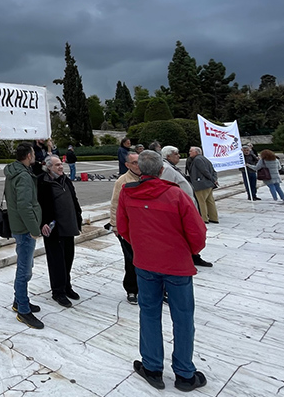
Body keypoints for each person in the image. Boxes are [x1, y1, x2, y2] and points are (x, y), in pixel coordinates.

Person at [117, 150, 208, 392]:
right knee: (183, 317)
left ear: (140, 170)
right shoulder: (175, 194)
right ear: (160, 170)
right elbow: (197, 234)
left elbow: (123, 228)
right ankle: (185, 373)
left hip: (145, 263)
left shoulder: (128, 194)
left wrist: (141, 246)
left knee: (148, 313)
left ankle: (153, 366)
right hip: (176, 264)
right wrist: (187, 250)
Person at [5, 142, 44, 329]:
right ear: (29, 155)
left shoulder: (13, 171)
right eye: (34, 154)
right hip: (25, 229)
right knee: (24, 270)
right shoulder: (23, 176)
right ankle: (23, 310)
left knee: (25, 265)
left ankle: (19, 300)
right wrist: (34, 229)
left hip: (18, 226)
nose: (35, 156)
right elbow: (24, 206)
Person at [37, 155, 82, 308]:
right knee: (56, 261)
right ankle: (58, 292)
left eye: (61, 164)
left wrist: (78, 217)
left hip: (69, 225)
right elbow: (39, 204)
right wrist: (42, 222)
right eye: (57, 165)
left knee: (68, 258)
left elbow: (74, 199)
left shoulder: (65, 179)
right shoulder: (43, 182)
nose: (61, 167)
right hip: (53, 228)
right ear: (49, 167)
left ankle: (67, 286)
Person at [163, 146, 212, 267]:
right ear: (168, 156)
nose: (179, 156)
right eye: (176, 154)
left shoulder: (170, 167)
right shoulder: (166, 169)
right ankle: (191, 256)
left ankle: (194, 255)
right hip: (181, 207)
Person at [110, 151, 140, 304]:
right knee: (130, 259)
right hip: (128, 228)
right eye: (134, 162)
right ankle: (132, 289)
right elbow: (115, 204)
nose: (138, 165)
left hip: (144, 227)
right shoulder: (123, 181)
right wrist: (115, 225)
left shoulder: (148, 176)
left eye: (139, 161)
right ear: (127, 165)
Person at [186, 147, 220, 224]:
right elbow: (213, 171)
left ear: (196, 152)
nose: (189, 152)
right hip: (208, 184)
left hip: (201, 184)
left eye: (191, 151)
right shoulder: (205, 159)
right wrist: (214, 179)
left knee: (201, 202)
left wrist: (212, 179)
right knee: (210, 201)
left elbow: (204, 171)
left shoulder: (197, 160)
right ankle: (213, 217)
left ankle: (204, 218)